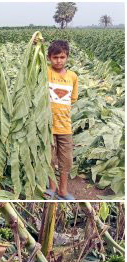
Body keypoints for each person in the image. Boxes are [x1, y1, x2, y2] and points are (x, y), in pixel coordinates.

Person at [44, 40, 78, 200]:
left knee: (66, 160)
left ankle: (63, 190)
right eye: (55, 57)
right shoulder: (46, 72)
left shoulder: (72, 77)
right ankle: (51, 188)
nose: (59, 60)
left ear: (67, 57)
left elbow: (73, 98)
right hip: (47, 126)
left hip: (65, 127)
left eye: (62, 57)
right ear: (49, 58)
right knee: (49, 158)